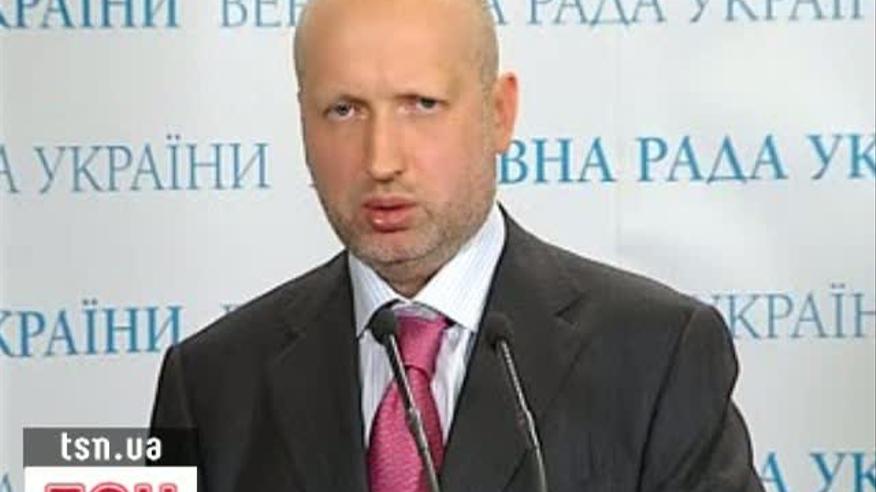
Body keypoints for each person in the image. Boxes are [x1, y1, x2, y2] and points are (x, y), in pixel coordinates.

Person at [150, 0, 765, 490]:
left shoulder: (660, 354)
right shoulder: (205, 383)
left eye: (422, 105)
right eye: (343, 110)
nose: (381, 160)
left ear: (500, 113)